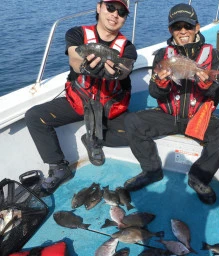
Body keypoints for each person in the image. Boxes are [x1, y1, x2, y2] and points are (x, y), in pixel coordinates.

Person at [123, 3, 219, 204]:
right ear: (170, 30)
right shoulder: (162, 55)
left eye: (188, 26)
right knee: (132, 121)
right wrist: (162, 81)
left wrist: (207, 83)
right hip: (169, 116)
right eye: (177, 27)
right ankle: (151, 171)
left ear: (197, 28)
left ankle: (198, 178)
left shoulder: (212, 54)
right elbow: (154, 92)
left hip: (198, 116)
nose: (183, 31)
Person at [25, 0, 137, 195]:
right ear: (99, 7)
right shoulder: (77, 33)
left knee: (140, 132)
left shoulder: (127, 47)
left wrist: (115, 73)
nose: (114, 14)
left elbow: (125, 70)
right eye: (110, 7)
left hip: (109, 107)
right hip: (79, 103)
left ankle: (94, 138)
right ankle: (59, 166)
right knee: (35, 117)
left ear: (125, 18)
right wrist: (85, 67)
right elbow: (74, 58)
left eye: (121, 12)